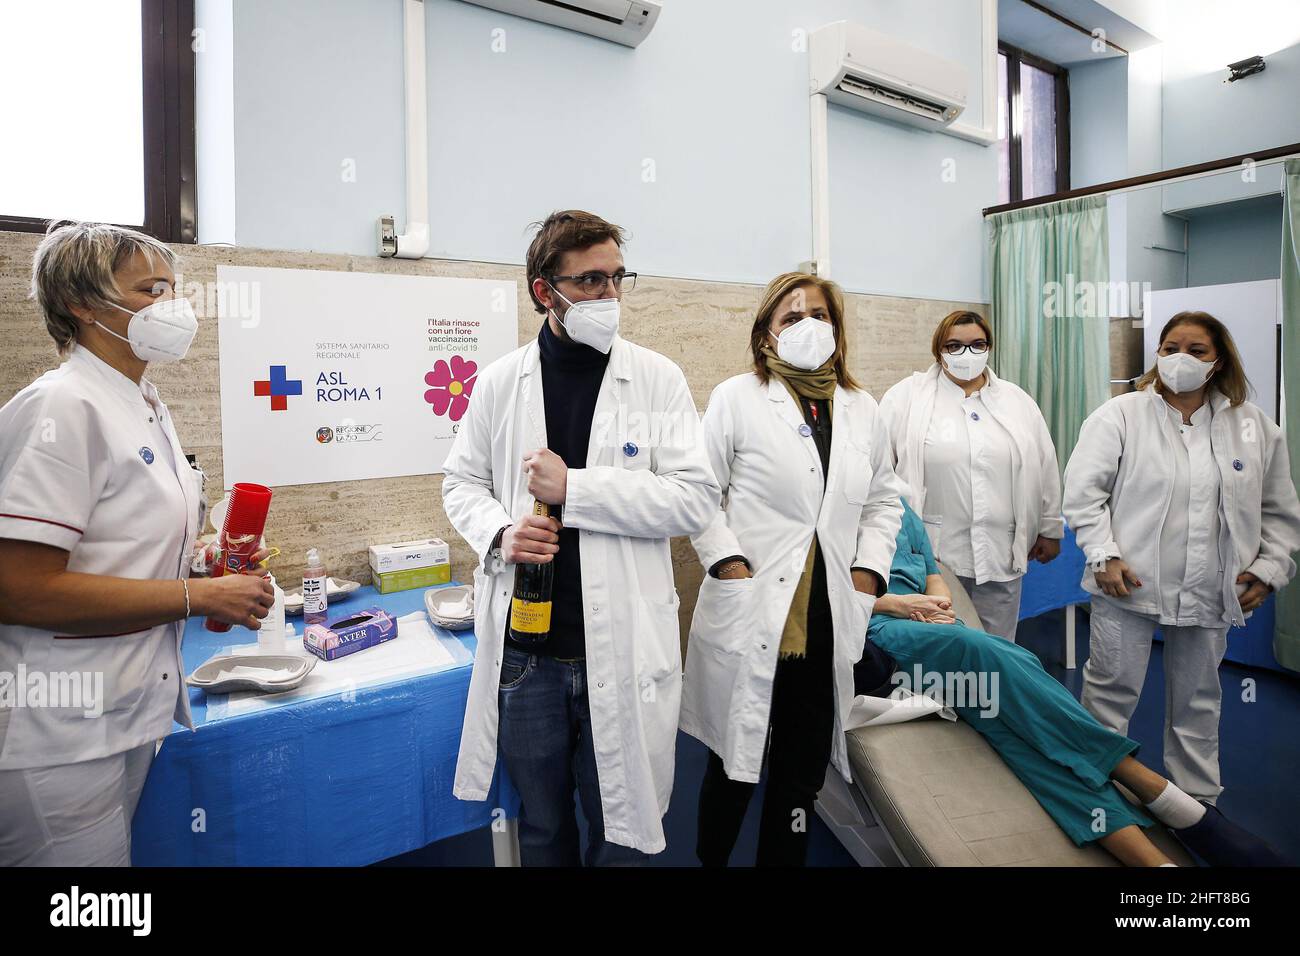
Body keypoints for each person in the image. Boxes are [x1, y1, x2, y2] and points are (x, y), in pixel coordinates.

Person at [442, 210, 719, 865]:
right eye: (590, 281)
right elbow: (459, 483)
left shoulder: (657, 379)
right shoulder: (498, 383)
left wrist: (579, 490)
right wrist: (500, 532)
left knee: (618, 833)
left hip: (618, 651)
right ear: (546, 291)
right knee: (541, 829)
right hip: (527, 657)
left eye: (618, 278)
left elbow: (695, 498)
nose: (610, 296)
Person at [0, 221, 274, 866]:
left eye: (174, 289)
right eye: (151, 290)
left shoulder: (142, 402)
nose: (174, 307)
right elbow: (17, 588)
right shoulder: (62, 407)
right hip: (58, 733)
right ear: (82, 304)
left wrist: (202, 563)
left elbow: (116, 548)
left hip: (122, 711)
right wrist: (196, 594)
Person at [862, 500, 1286, 866]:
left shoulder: (900, 506)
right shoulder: (832, 513)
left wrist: (939, 599)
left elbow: (931, 570)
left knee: (1023, 738)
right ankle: (1140, 777)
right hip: (875, 632)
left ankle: (1155, 864)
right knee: (991, 653)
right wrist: (896, 603)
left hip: (935, 627)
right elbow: (820, 592)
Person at [682, 272, 905, 866]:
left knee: (799, 776)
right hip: (755, 609)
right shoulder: (737, 398)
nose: (808, 327)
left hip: (830, 616)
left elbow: (884, 501)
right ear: (766, 337)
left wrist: (868, 575)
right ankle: (711, 861)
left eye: (820, 316)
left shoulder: (863, 409)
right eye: (791, 317)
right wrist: (727, 563)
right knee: (733, 764)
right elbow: (698, 492)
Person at [1063, 310, 1300, 804]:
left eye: (1196, 351)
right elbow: (1084, 495)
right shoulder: (1121, 415)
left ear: (1219, 361)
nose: (1180, 360)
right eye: (1170, 348)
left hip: (1213, 587)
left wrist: (1270, 568)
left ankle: (1195, 802)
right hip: (1127, 583)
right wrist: (1103, 554)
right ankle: (1094, 791)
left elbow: (1279, 509)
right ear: (1157, 355)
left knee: (1198, 700)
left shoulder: (1254, 428)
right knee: (1110, 690)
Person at [879, 310, 1063, 642]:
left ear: (990, 348)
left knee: (998, 647)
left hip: (1000, 548)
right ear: (938, 350)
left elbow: (1044, 462)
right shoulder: (906, 397)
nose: (967, 354)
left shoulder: (1016, 400)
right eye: (955, 346)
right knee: (940, 643)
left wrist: (1049, 527)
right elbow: (879, 469)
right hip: (934, 551)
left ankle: (991, 696)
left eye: (977, 345)